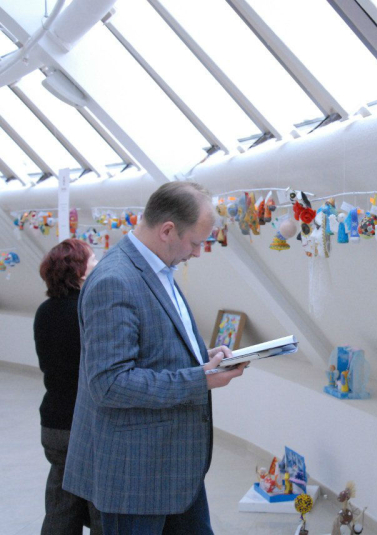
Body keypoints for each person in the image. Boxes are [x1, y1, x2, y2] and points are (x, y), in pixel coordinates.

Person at [63, 182, 247, 534]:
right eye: (195, 243)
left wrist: (202, 357)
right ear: (167, 231)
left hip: (176, 468)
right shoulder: (115, 281)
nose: (197, 253)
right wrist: (201, 378)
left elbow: (156, 346)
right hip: (136, 476)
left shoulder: (158, 268)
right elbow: (110, 383)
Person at [34, 239, 102, 534]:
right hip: (85, 425)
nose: (98, 263)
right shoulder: (91, 310)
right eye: (93, 259)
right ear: (79, 271)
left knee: (61, 508)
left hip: (54, 423)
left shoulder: (44, 311)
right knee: (101, 509)